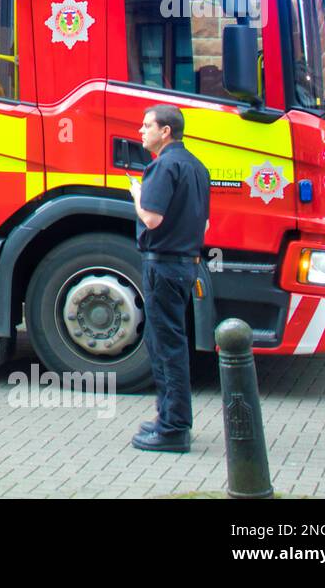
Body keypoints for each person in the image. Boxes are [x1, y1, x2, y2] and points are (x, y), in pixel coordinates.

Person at [128, 104, 210, 453]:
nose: (140, 131)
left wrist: (136, 194)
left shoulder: (163, 166)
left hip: (162, 265)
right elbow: (204, 223)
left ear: (166, 132)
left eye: (147, 125)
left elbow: (151, 219)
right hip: (184, 263)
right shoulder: (197, 166)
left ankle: (173, 428)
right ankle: (168, 418)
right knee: (164, 340)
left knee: (166, 346)